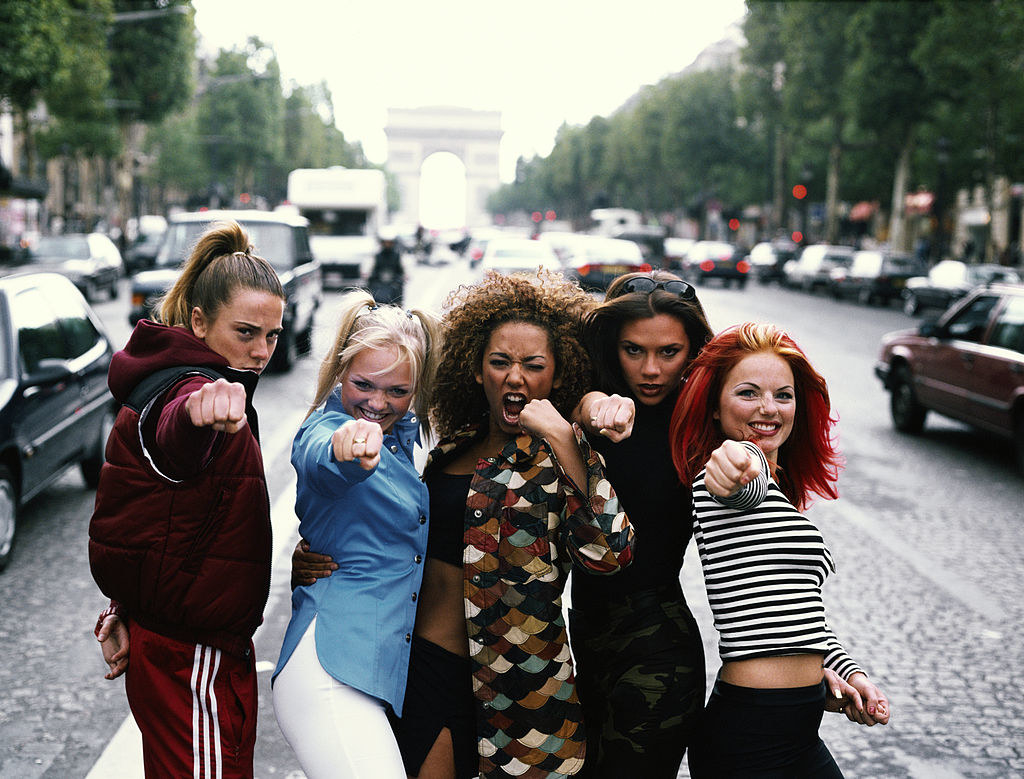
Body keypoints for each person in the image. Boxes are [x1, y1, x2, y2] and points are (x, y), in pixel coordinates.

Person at [294, 269, 635, 778]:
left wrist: (564, 434)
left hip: (524, 685)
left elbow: (611, 554)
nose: (514, 377)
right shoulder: (452, 447)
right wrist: (319, 550)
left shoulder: (566, 455)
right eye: (500, 362)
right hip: (426, 668)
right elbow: (396, 531)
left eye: (533, 365)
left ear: (557, 376)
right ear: (478, 372)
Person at [88, 220, 286, 778]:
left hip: (185, 643)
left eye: (272, 335)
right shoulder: (190, 390)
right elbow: (177, 438)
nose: (262, 351)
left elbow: (157, 512)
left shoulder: (175, 374)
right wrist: (200, 416)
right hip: (191, 653)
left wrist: (125, 606)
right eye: (245, 332)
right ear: (199, 321)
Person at [669, 322, 890, 777]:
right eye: (748, 393)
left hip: (796, 729)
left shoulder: (778, 490)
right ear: (715, 408)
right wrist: (734, 461)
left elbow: (803, 618)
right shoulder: (728, 478)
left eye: (783, 396)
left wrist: (851, 674)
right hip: (751, 733)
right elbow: (729, 476)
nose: (769, 409)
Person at [272, 292, 441, 778]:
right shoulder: (326, 430)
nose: (376, 403)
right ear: (340, 372)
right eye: (363, 384)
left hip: (372, 674)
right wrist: (348, 449)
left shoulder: (402, 438)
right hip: (330, 670)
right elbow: (324, 460)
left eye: (397, 391)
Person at [568, 270, 713, 777]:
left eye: (669, 353)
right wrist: (590, 408)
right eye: (634, 351)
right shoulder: (586, 405)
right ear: (612, 347)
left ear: (693, 351)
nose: (651, 369)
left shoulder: (704, 426)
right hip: (582, 645)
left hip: (658, 653)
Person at [370, 231, 405, 305]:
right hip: (380, 282)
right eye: (385, 242)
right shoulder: (378, 256)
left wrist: (402, 277)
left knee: (398, 290)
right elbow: (374, 270)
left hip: (393, 281)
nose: (387, 244)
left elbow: (401, 270)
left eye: (389, 242)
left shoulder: (397, 256)